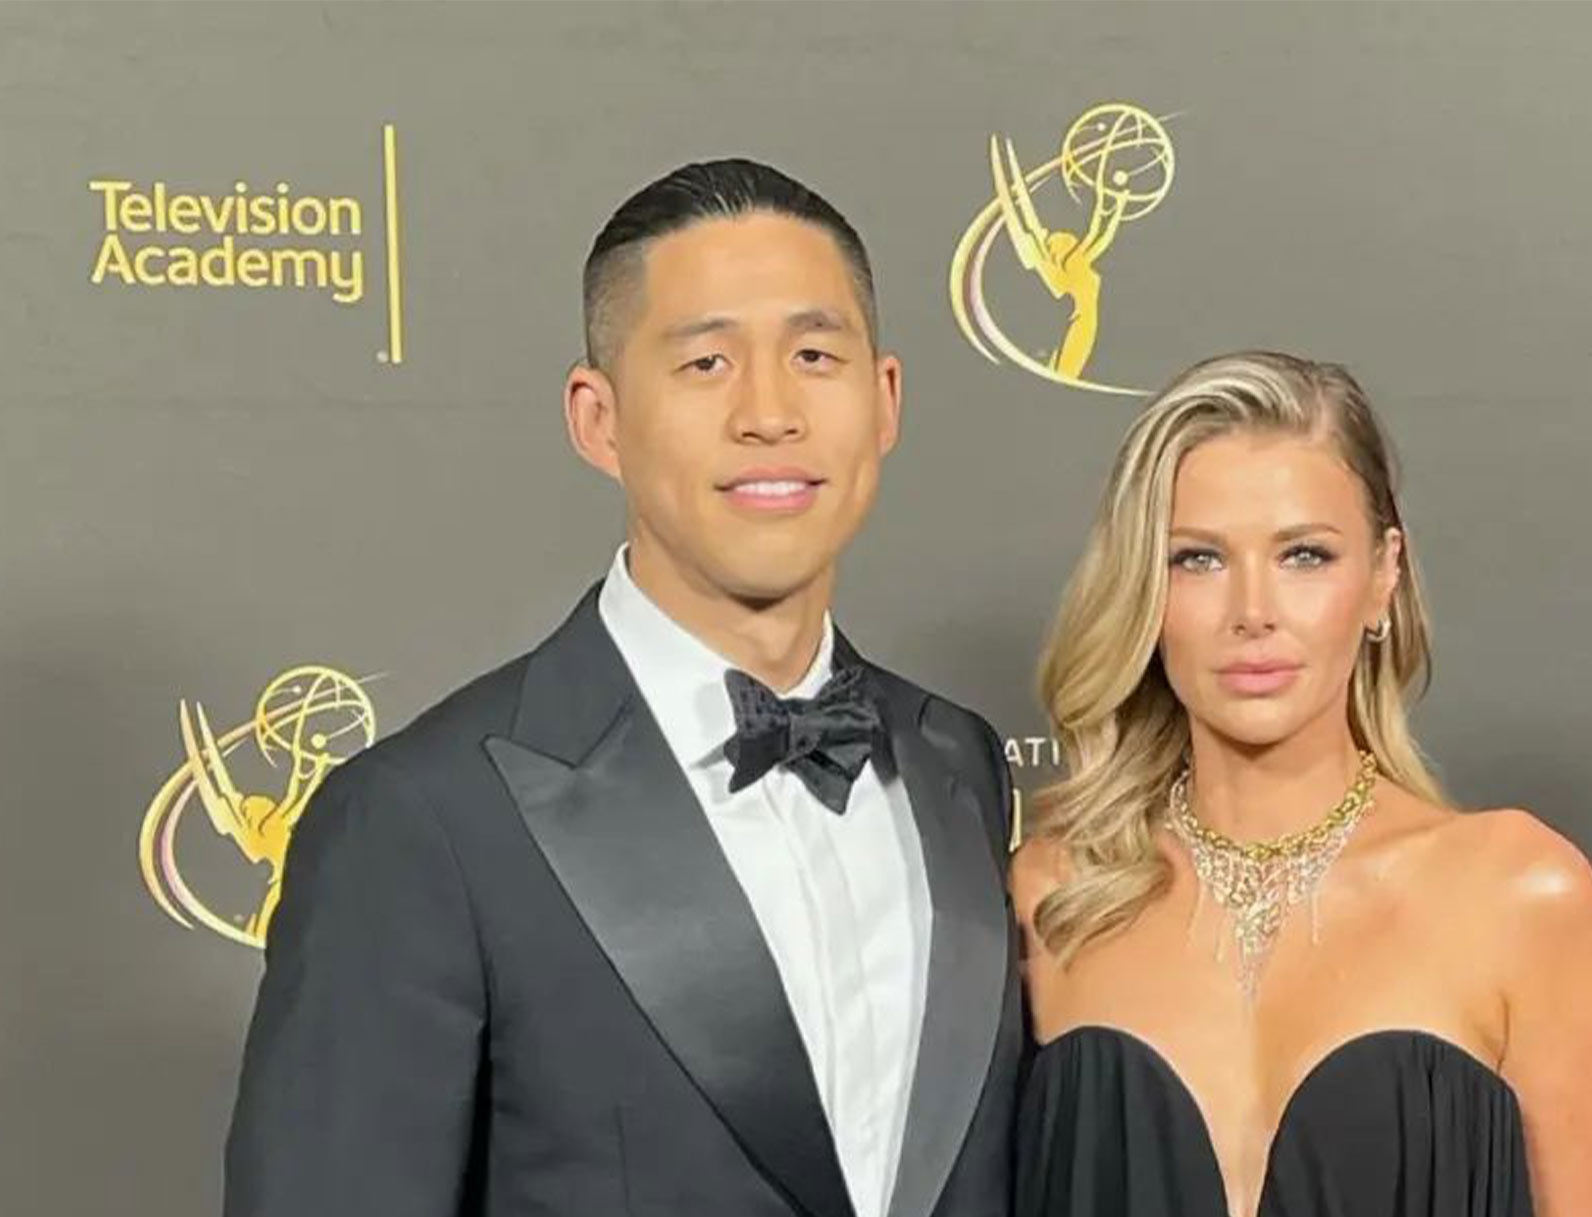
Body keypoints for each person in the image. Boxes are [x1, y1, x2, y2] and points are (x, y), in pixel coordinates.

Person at [224, 159, 1022, 1217]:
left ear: (883, 401)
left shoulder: (958, 762)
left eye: (815, 353)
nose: (770, 411)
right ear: (598, 418)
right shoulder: (417, 820)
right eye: (705, 362)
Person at [1010, 351, 1592, 1217]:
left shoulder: (1519, 896)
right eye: (1197, 559)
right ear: (1142, 590)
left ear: (1383, 575)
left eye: (1304, 554)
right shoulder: (1053, 896)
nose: (1252, 609)